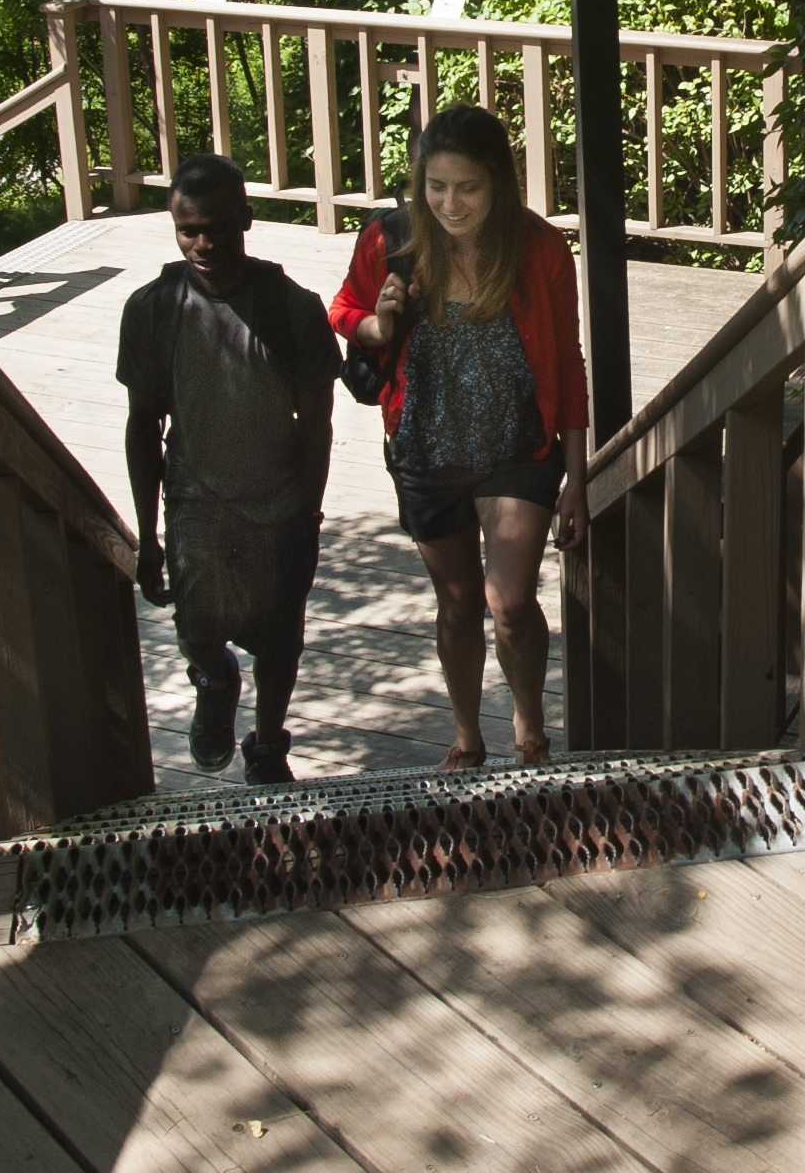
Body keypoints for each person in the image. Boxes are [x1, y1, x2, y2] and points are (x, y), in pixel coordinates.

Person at [333, 103, 587, 770]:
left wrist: (577, 482)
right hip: (426, 447)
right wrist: (381, 326)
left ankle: (529, 729)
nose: (449, 203)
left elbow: (567, 361)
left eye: (467, 187)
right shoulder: (390, 240)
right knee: (457, 602)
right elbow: (345, 314)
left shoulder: (539, 248)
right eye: (435, 186)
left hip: (517, 448)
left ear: (498, 183)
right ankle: (467, 736)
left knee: (509, 602)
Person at [116, 154, 338, 783]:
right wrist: (148, 535)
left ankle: (267, 746)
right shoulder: (155, 308)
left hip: (276, 499)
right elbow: (143, 424)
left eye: (217, 226)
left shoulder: (293, 308)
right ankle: (213, 677)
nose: (203, 243)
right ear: (173, 226)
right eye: (188, 229)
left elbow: (315, 423)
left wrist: (309, 512)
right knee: (196, 625)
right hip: (195, 496)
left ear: (246, 218)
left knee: (280, 635)